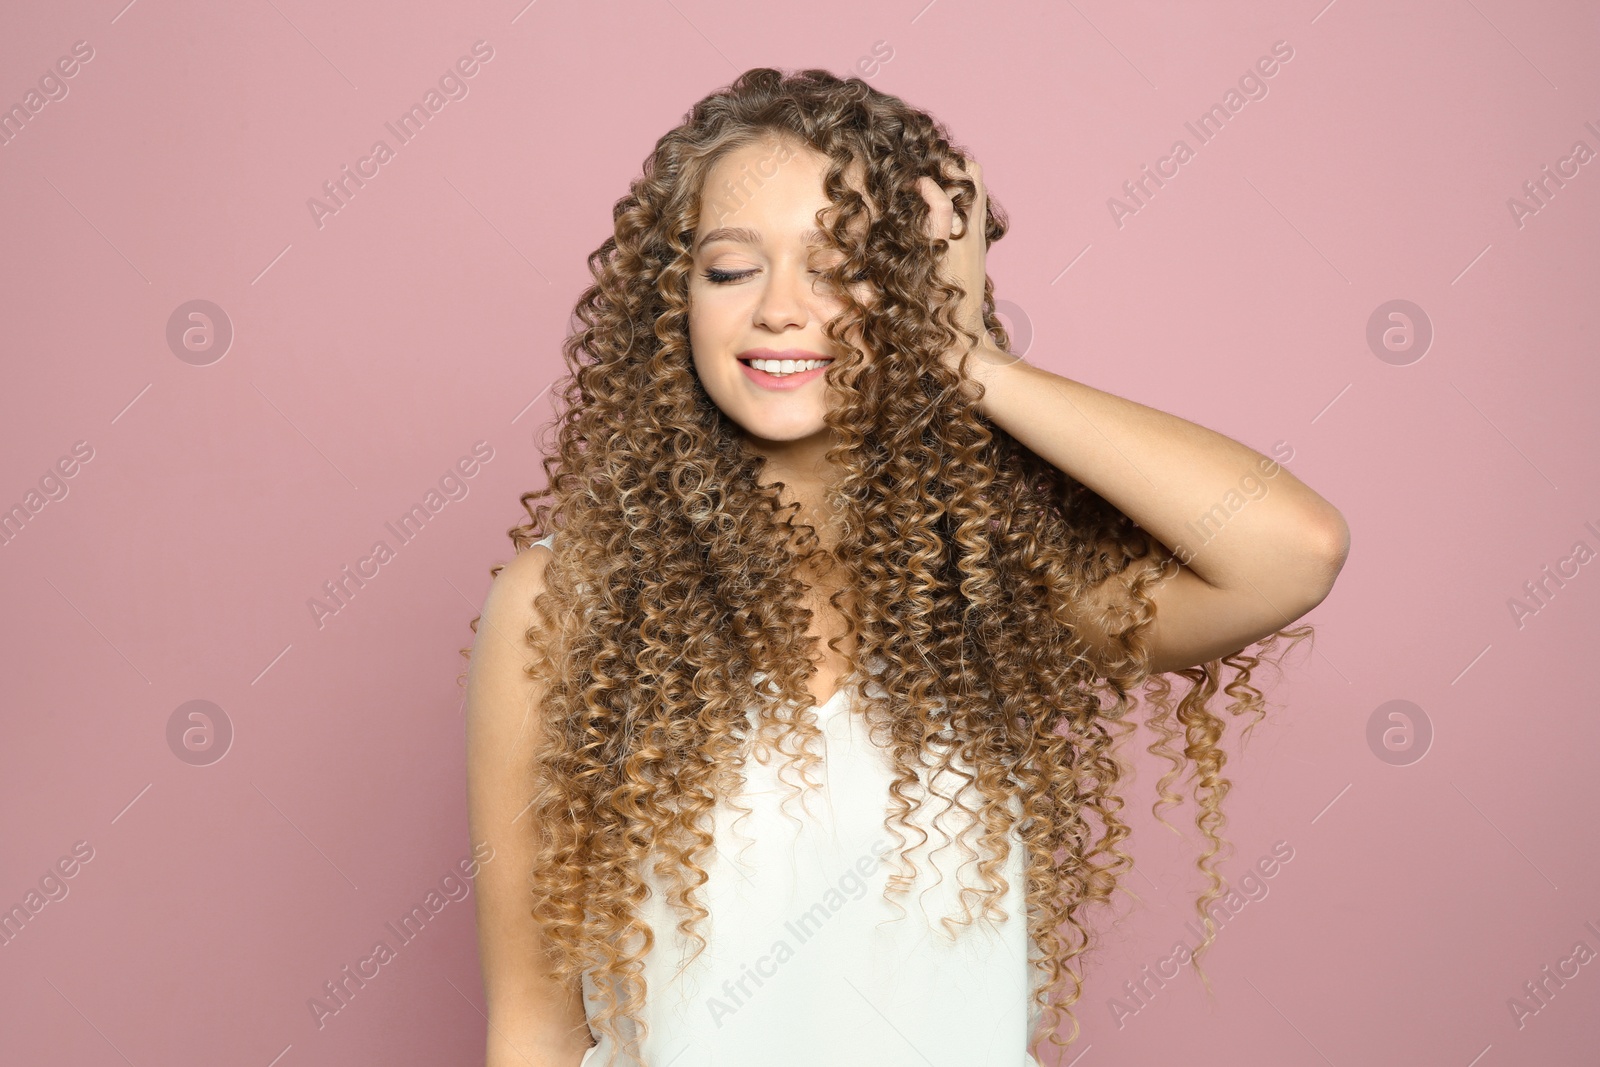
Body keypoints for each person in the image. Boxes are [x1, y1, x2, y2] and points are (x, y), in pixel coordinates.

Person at [461, 68, 1349, 1067]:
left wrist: (968, 360)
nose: (781, 311)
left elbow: (1289, 551)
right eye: (728, 268)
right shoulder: (565, 605)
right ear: (672, 308)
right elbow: (533, 1021)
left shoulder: (997, 590)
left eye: (840, 267)